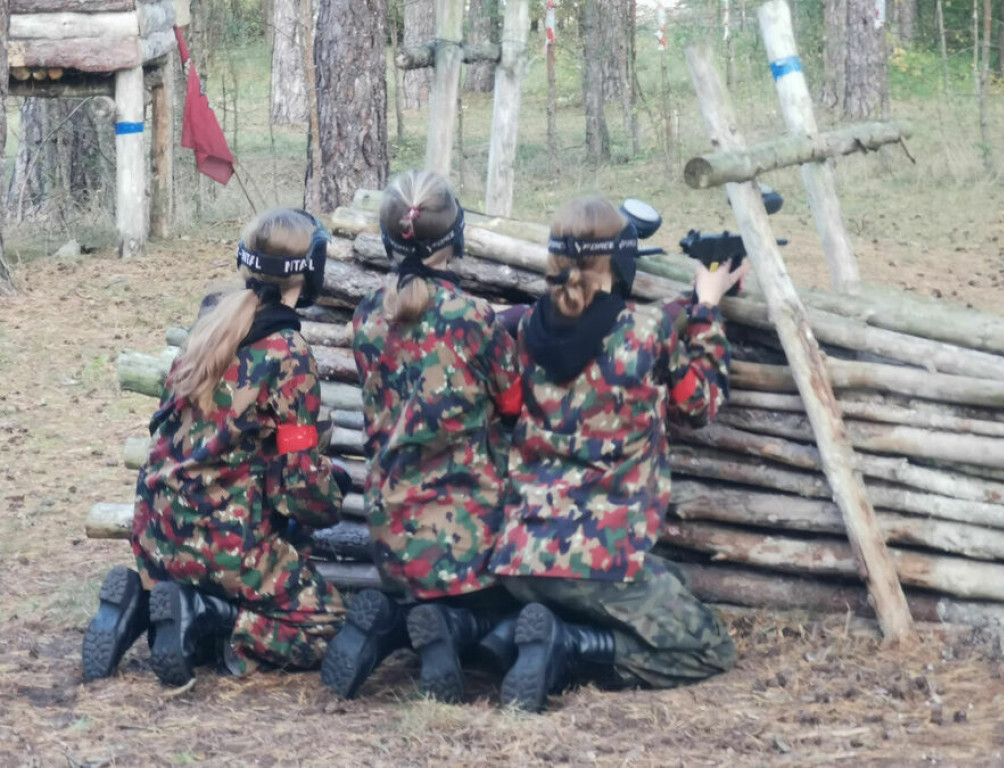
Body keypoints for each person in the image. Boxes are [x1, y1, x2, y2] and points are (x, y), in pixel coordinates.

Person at [490, 196, 744, 712]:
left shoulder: (521, 329)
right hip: (598, 560)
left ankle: (495, 632)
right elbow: (701, 403)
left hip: (518, 556)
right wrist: (707, 308)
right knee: (709, 645)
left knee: (672, 579)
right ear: (622, 258)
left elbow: (577, 342)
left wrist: (687, 302)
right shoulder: (646, 334)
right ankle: (573, 648)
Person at [82, 208, 352, 685]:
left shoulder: (209, 326)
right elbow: (301, 487)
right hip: (222, 545)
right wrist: (336, 495)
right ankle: (206, 613)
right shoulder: (287, 353)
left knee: (244, 559)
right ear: (308, 269)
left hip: (153, 532)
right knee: (325, 625)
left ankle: (138, 605)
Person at [321, 170, 522, 703]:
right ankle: (450, 631)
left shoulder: (366, 317)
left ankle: (388, 621)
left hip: (390, 531)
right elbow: (512, 405)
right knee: (510, 613)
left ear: (388, 240)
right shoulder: (475, 318)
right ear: (456, 238)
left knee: (417, 601)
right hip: (472, 539)